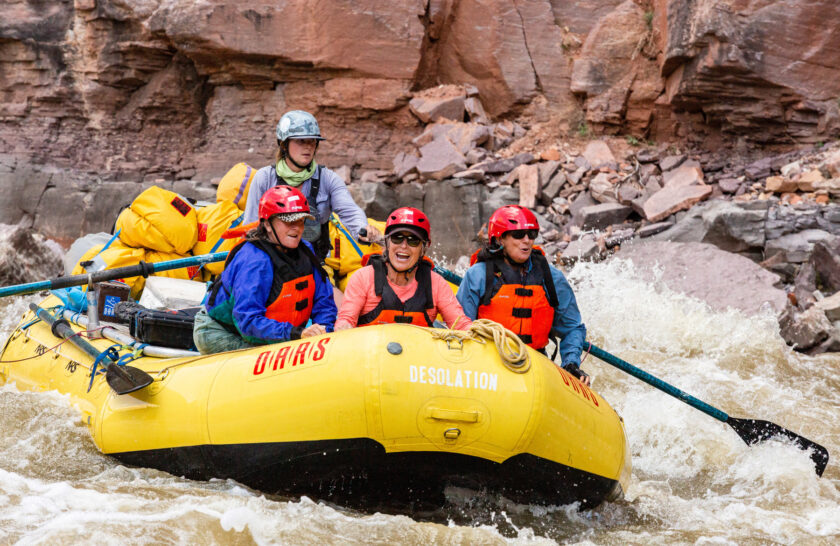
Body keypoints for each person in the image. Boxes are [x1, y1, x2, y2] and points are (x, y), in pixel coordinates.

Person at [194, 186, 337, 354]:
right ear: (268, 225)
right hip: (222, 332)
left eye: (300, 221)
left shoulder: (306, 250)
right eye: (288, 221)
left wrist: (324, 331)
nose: (297, 228)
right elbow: (248, 321)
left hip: (279, 334)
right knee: (281, 360)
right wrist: (296, 334)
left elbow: (324, 302)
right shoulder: (254, 261)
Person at [456, 205, 589, 384]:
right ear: (500, 238)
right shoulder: (479, 275)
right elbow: (461, 328)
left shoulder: (552, 278)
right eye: (518, 235)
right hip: (487, 366)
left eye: (531, 234)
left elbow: (572, 327)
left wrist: (570, 362)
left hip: (535, 363)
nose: (526, 240)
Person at [242, 110, 379, 258]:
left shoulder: (328, 179)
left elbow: (350, 211)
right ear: (283, 144)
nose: (308, 146)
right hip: (273, 259)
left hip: (315, 261)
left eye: (312, 141)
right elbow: (251, 226)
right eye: (301, 141)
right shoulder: (264, 178)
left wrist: (362, 229)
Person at [335, 207, 472, 331]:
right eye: (397, 238)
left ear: (424, 248)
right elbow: (345, 320)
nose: (404, 246)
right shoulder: (363, 278)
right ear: (387, 242)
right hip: (371, 356)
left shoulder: (436, 283)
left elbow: (460, 324)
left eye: (413, 241)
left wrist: (480, 332)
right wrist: (343, 328)